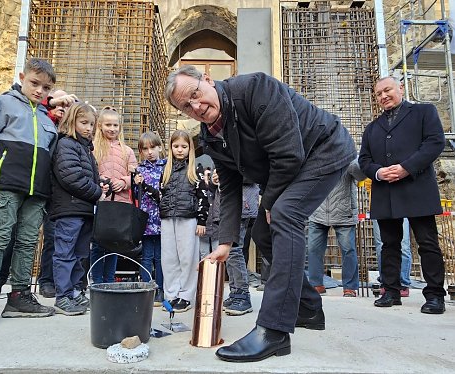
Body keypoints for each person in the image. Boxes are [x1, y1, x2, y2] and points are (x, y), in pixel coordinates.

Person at [165, 65, 355, 362]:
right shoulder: (211, 135)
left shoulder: (256, 89)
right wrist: (225, 243)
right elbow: (229, 188)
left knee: (284, 214)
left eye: (196, 95)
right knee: (263, 232)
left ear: (207, 80)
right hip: (289, 166)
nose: (197, 107)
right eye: (187, 107)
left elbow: (289, 155)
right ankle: (308, 308)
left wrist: (268, 204)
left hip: (323, 149)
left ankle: (274, 330)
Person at [0, 58, 58, 330]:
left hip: (36, 190)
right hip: (6, 183)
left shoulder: (45, 118)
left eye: (46, 87)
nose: (40, 91)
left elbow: (49, 154)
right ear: (22, 77)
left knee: (28, 241)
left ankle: (19, 296)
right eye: (34, 83)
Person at [359, 76, 446, 314]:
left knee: (427, 244)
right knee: (389, 244)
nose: (383, 96)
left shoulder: (424, 112)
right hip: (386, 191)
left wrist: (407, 167)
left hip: (417, 188)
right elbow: (364, 159)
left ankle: (435, 295)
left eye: (387, 90)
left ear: (400, 88)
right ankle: (391, 292)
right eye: (378, 94)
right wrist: (377, 172)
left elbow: (435, 142)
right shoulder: (372, 128)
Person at [0, 88, 79, 297]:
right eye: (56, 103)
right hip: (29, 183)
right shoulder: (37, 115)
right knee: (11, 233)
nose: (60, 109)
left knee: (52, 237)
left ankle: (47, 281)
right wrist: (51, 110)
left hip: (54, 191)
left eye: (64, 106)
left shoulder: (69, 131)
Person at [50, 103, 109, 315]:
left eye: (92, 124)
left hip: (83, 208)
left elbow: (84, 176)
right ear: (71, 121)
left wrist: (100, 183)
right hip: (69, 209)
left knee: (80, 254)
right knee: (65, 253)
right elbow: (71, 177)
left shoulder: (85, 149)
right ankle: (62, 296)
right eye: (84, 123)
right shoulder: (66, 144)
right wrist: (97, 192)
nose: (89, 128)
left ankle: (75, 291)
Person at [159, 130, 209, 313]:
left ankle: (186, 296)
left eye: (184, 146)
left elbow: (203, 196)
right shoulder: (166, 169)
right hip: (167, 219)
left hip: (188, 218)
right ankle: (170, 295)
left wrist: (202, 220)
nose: (179, 150)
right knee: (169, 258)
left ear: (190, 148)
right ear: (170, 148)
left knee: (188, 258)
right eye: (176, 146)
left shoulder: (195, 169)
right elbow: (161, 195)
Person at [90, 106, 137, 284]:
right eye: (108, 124)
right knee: (98, 244)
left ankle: (109, 280)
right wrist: (100, 182)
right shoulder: (93, 149)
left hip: (120, 203)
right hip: (100, 202)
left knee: (113, 245)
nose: (112, 128)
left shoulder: (127, 151)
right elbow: (90, 172)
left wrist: (124, 181)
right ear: (100, 126)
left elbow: (136, 176)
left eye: (115, 125)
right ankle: (96, 280)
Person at [307, 159, 366, 297]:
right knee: (313, 249)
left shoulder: (347, 155)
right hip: (318, 211)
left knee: (348, 250)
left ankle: (349, 287)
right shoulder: (314, 155)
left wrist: (350, 159)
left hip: (343, 211)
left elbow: (361, 175)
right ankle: (316, 284)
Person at [133, 131, 167, 306]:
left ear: (159, 147)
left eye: (153, 147)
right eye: (145, 149)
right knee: (146, 256)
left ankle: (160, 289)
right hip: (146, 219)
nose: (150, 152)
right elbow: (135, 194)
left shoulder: (166, 166)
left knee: (160, 257)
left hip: (162, 218)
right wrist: (135, 181)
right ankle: (147, 288)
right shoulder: (140, 169)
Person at [223, 182, 260, 315]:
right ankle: (235, 293)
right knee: (229, 251)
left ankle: (242, 294)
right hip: (233, 205)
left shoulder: (245, 161)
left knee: (235, 250)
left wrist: (226, 173)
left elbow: (252, 174)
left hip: (244, 206)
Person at [373, 218, 412, 297]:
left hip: (403, 208)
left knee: (404, 246)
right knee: (381, 246)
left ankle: (403, 283)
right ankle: (386, 283)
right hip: (380, 208)